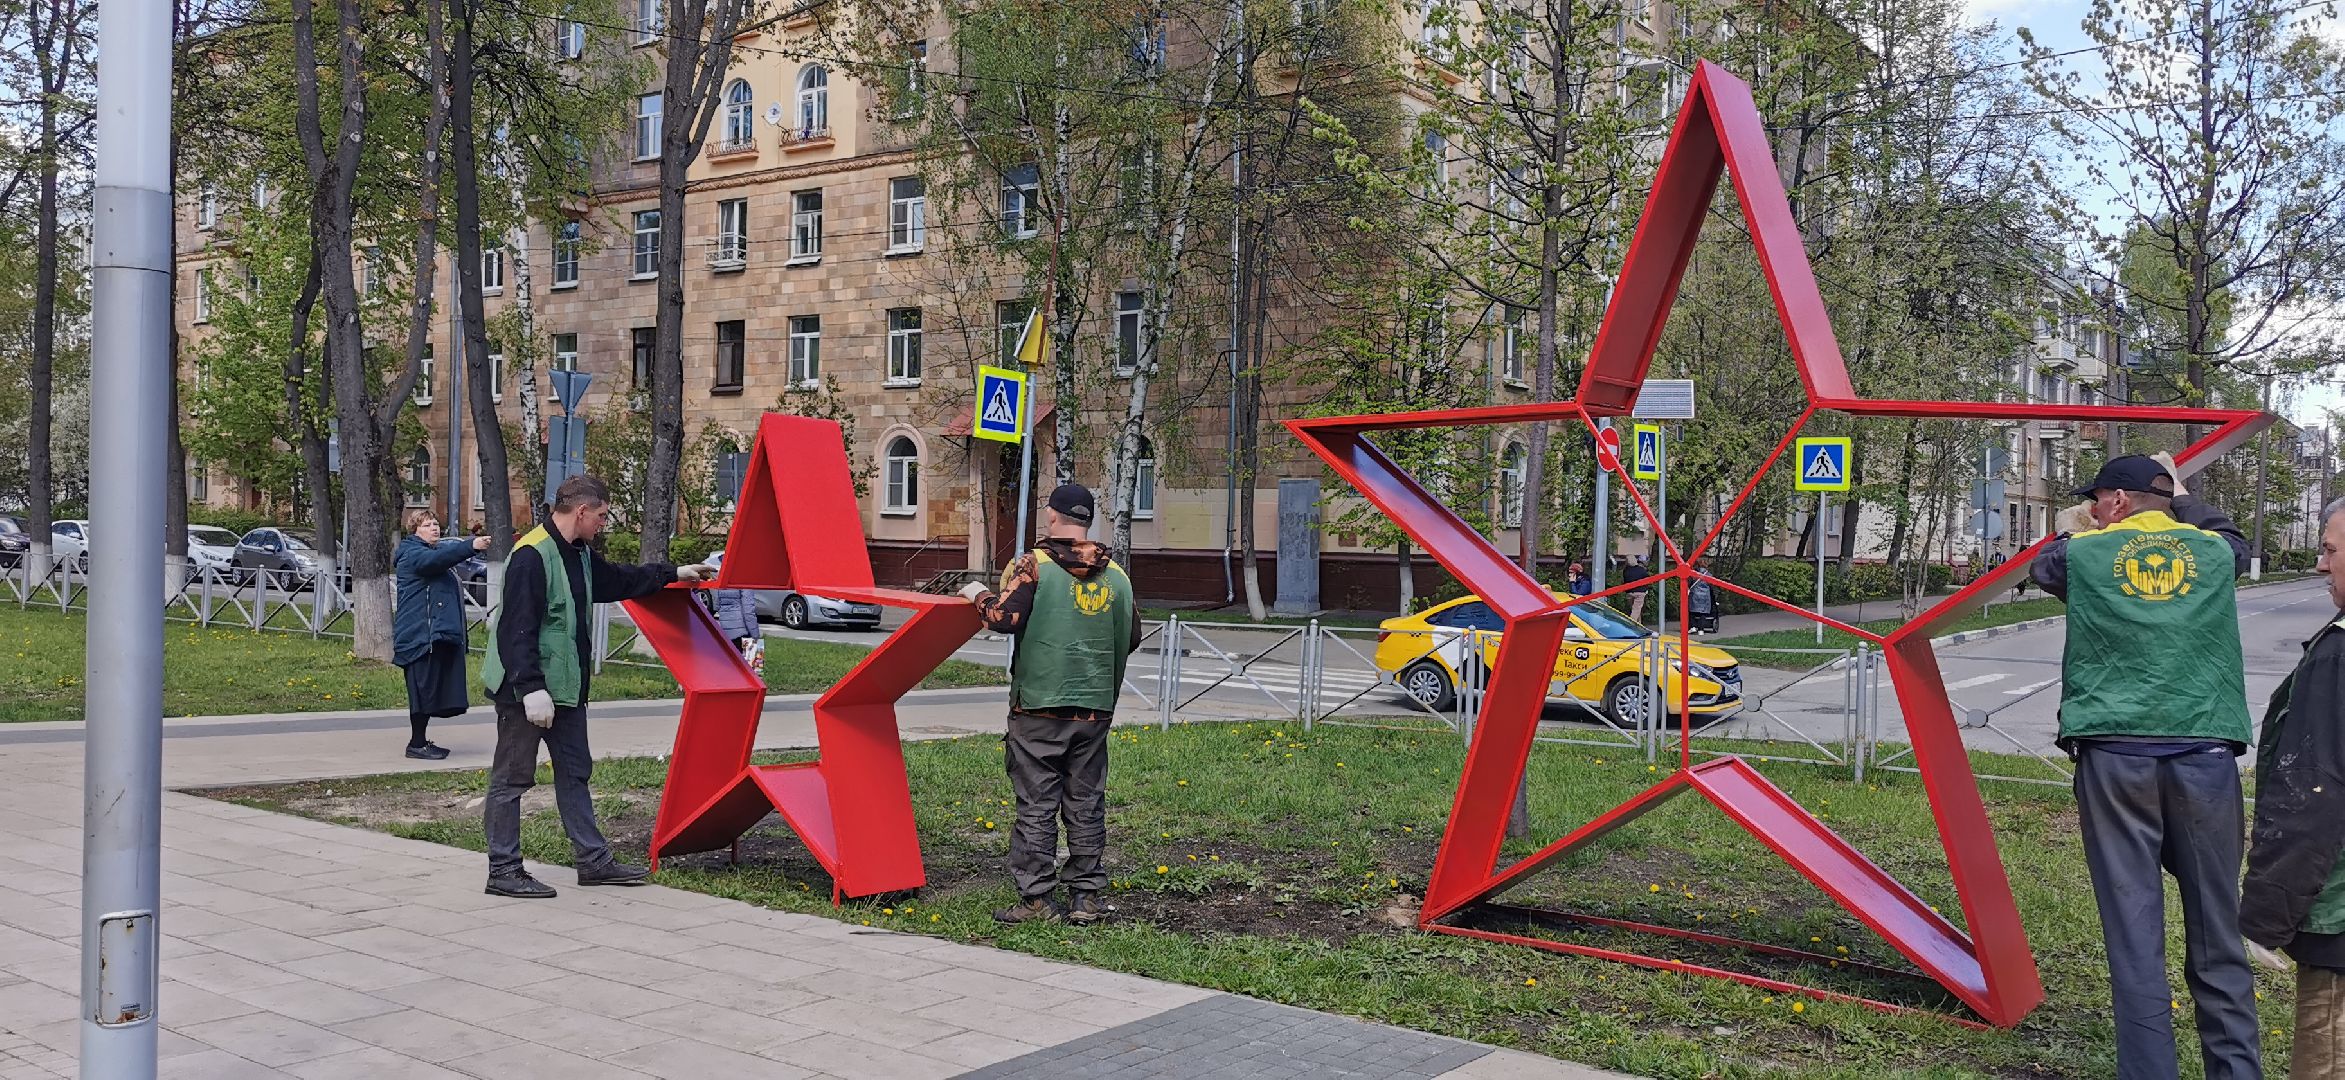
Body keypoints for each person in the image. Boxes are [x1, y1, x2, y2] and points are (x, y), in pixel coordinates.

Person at [2031, 453, 2260, 1080]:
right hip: (2204, 754)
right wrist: (2179, 495)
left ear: (2117, 501)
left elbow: (2044, 560)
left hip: (2114, 756)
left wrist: (2092, 522)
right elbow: (2233, 536)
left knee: (2134, 938)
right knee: (2219, 929)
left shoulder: (2078, 553)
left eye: (2100, 498)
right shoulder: (2215, 553)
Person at [478, 475, 713, 899]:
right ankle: (503, 869)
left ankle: (593, 861)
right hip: (525, 694)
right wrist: (531, 688)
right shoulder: (532, 554)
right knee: (511, 779)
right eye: (602, 516)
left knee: (575, 774)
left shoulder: (579, 553)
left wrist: (672, 573)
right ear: (582, 511)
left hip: (566, 690)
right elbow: (516, 628)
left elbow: (618, 580)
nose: (604, 523)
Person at [961, 484, 1140, 926]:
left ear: (1053, 517)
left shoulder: (1034, 567)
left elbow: (1002, 619)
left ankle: (1038, 899)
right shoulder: (1117, 575)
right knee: (1085, 800)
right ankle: (1086, 896)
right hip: (1095, 707)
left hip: (1039, 705)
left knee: (1037, 801)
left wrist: (976, 594)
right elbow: (1132, 637)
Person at [2242, 495, 2345, 1078]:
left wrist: (2265, 915)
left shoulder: (2339, 655)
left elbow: (2314, 791)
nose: (2320, 564)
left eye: (2329, 550)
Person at [392, 510, 488, 760]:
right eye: (427, 525)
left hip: (432, 635)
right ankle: (416, 744)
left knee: (429, 689)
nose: (434, 528)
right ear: (415, 530)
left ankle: (421, 741)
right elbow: (433, 562)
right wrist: (471, 546)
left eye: (436, 524)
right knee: (421, 690)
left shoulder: (429, 553)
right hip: (418, 635)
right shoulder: (413, 554)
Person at [1687, 558, 1719, 636]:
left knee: (1692, 611)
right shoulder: (1709, 575)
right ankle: (1701, 630)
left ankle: (1693, 626)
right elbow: (1712, 586)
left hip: (1694, 595)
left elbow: (1689, 584)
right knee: (1703, 613)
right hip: (1705, 596)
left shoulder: (1693, 574)